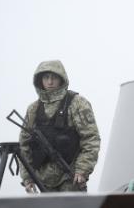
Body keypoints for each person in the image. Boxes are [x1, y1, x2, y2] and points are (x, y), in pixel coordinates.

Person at [19, 60, 100, 192]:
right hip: (43, 181)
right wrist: (27, 178)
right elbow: (24, 146)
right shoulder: (33, 109)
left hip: (71, 178)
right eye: (46, 77)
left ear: (61, 78)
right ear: (40, 80)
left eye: (54, 77)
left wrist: (82, 170)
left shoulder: (77, 104)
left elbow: (91, 139)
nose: (50, 82)